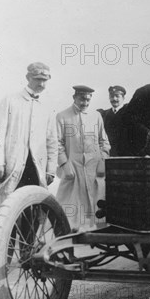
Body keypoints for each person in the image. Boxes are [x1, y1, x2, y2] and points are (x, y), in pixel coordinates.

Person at [0, 62, 58, 200]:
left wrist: (51, 169)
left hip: (37, 168)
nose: (42, 84)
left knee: (34, 206)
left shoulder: (47, 106)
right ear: (28, 77)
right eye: (38, 79)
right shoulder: (10, 100)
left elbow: (52, 141)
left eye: (45, 80)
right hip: (12, 165)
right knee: (5, 204)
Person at [56, 86, 110, 230]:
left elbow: (103, 141)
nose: (85, 102)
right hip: (73, 166)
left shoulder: (96, 116)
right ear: (74, 97)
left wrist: (102, 160)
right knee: (69, 203)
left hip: (94, 167)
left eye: (88, 99)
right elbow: (57, 143)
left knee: (96, 201)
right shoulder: (62, 116)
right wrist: (64, 164)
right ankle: (67, 231)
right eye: (81, 99)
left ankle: (94, 233)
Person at [97, 85, 127, 156]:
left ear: (123, 98)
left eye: (117, 96)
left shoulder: (128, 112)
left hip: (126, 155)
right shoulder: (104, 114)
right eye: (111, 96)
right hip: (109, 154)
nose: (114, 99)